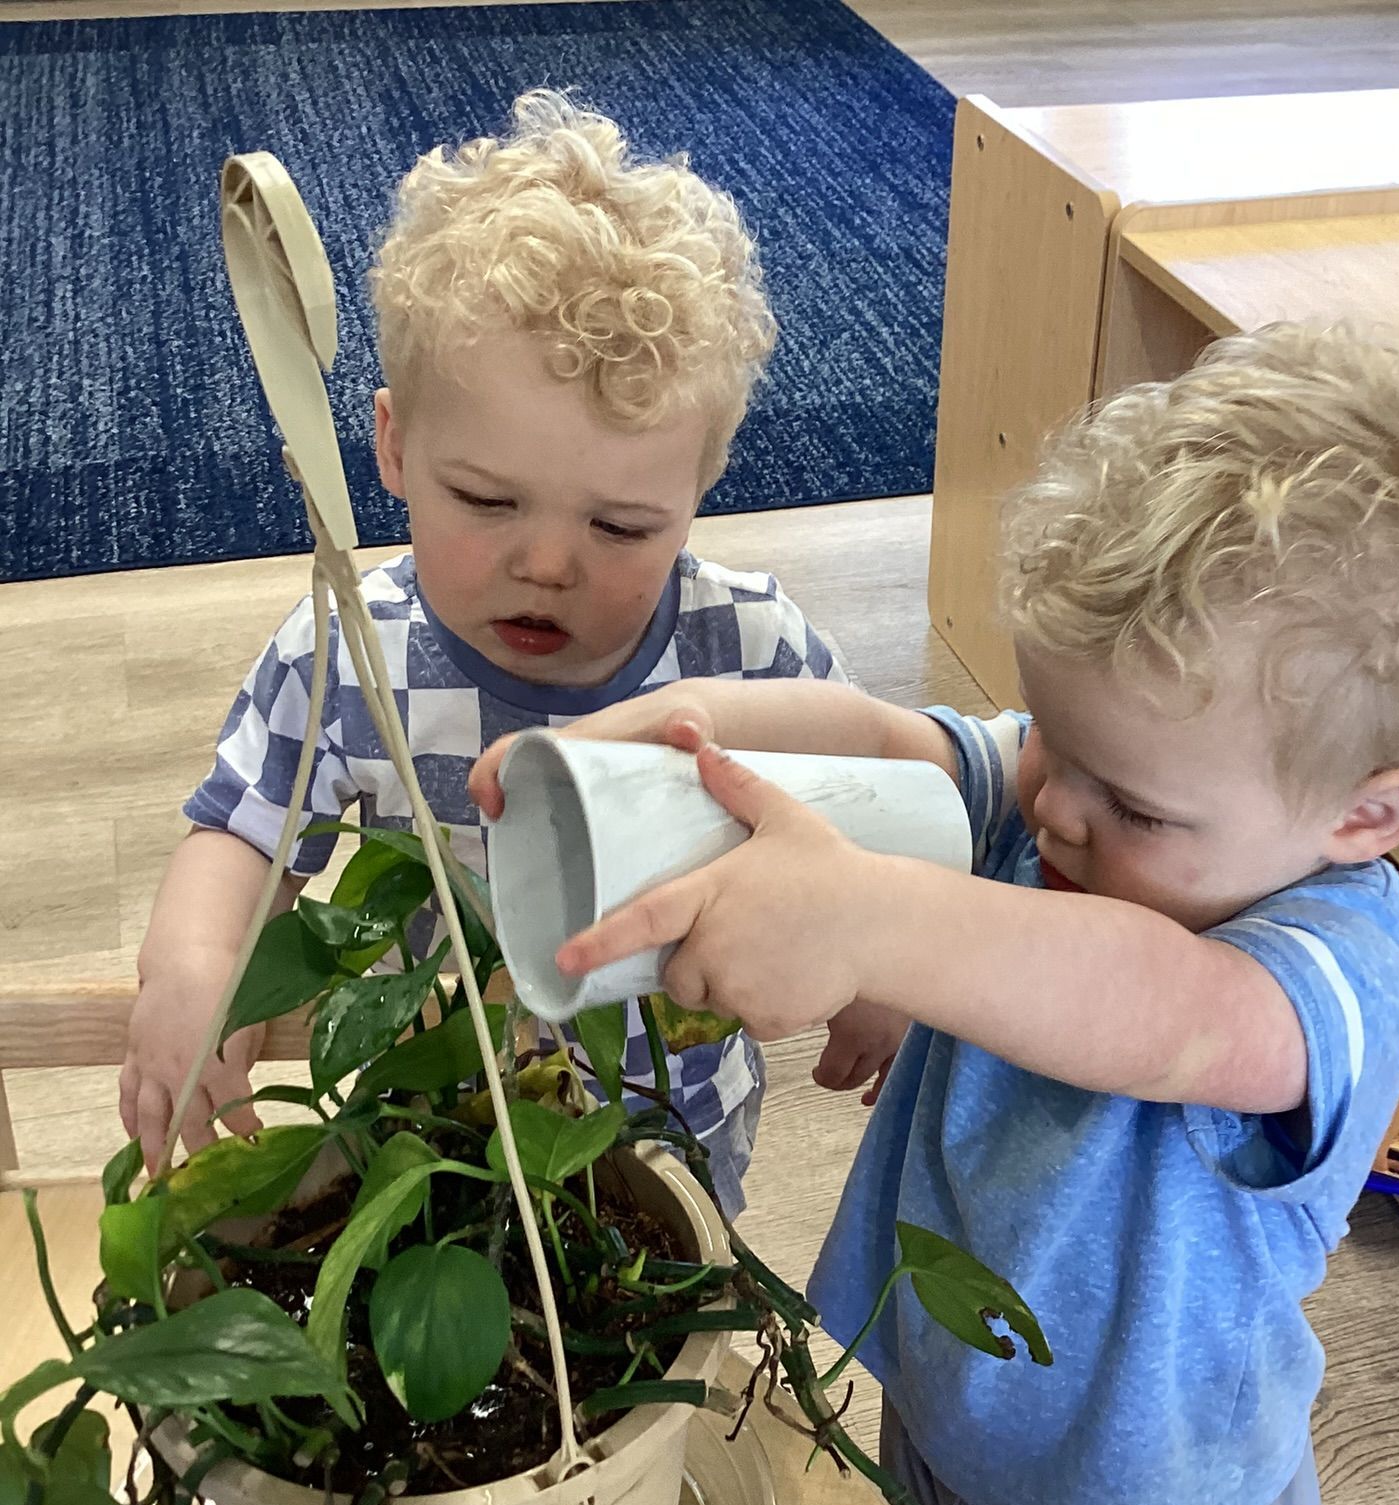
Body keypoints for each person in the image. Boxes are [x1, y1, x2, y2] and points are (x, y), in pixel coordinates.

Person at [471, 322, 1399, 1505]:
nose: (1053, 808)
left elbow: (1172, 1019)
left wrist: (875, 926)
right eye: (1049, 734)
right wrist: (686, 726)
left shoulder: (1340, 958)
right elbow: (890, 743)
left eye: (1134, 804)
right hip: (944, 1430)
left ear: (1362, 814)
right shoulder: (1089, 786)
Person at [119, 90, 895, 1216]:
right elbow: (242, 830)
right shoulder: (350, 654)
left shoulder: (750, 649)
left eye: (620, 526)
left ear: (698, 489)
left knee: (661, 1285)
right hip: (430, 1121)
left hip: (671, 1128)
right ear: (393, 446)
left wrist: (883, 959)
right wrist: (193, 964)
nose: (545, 564)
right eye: (486, 500)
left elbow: (871, 816)